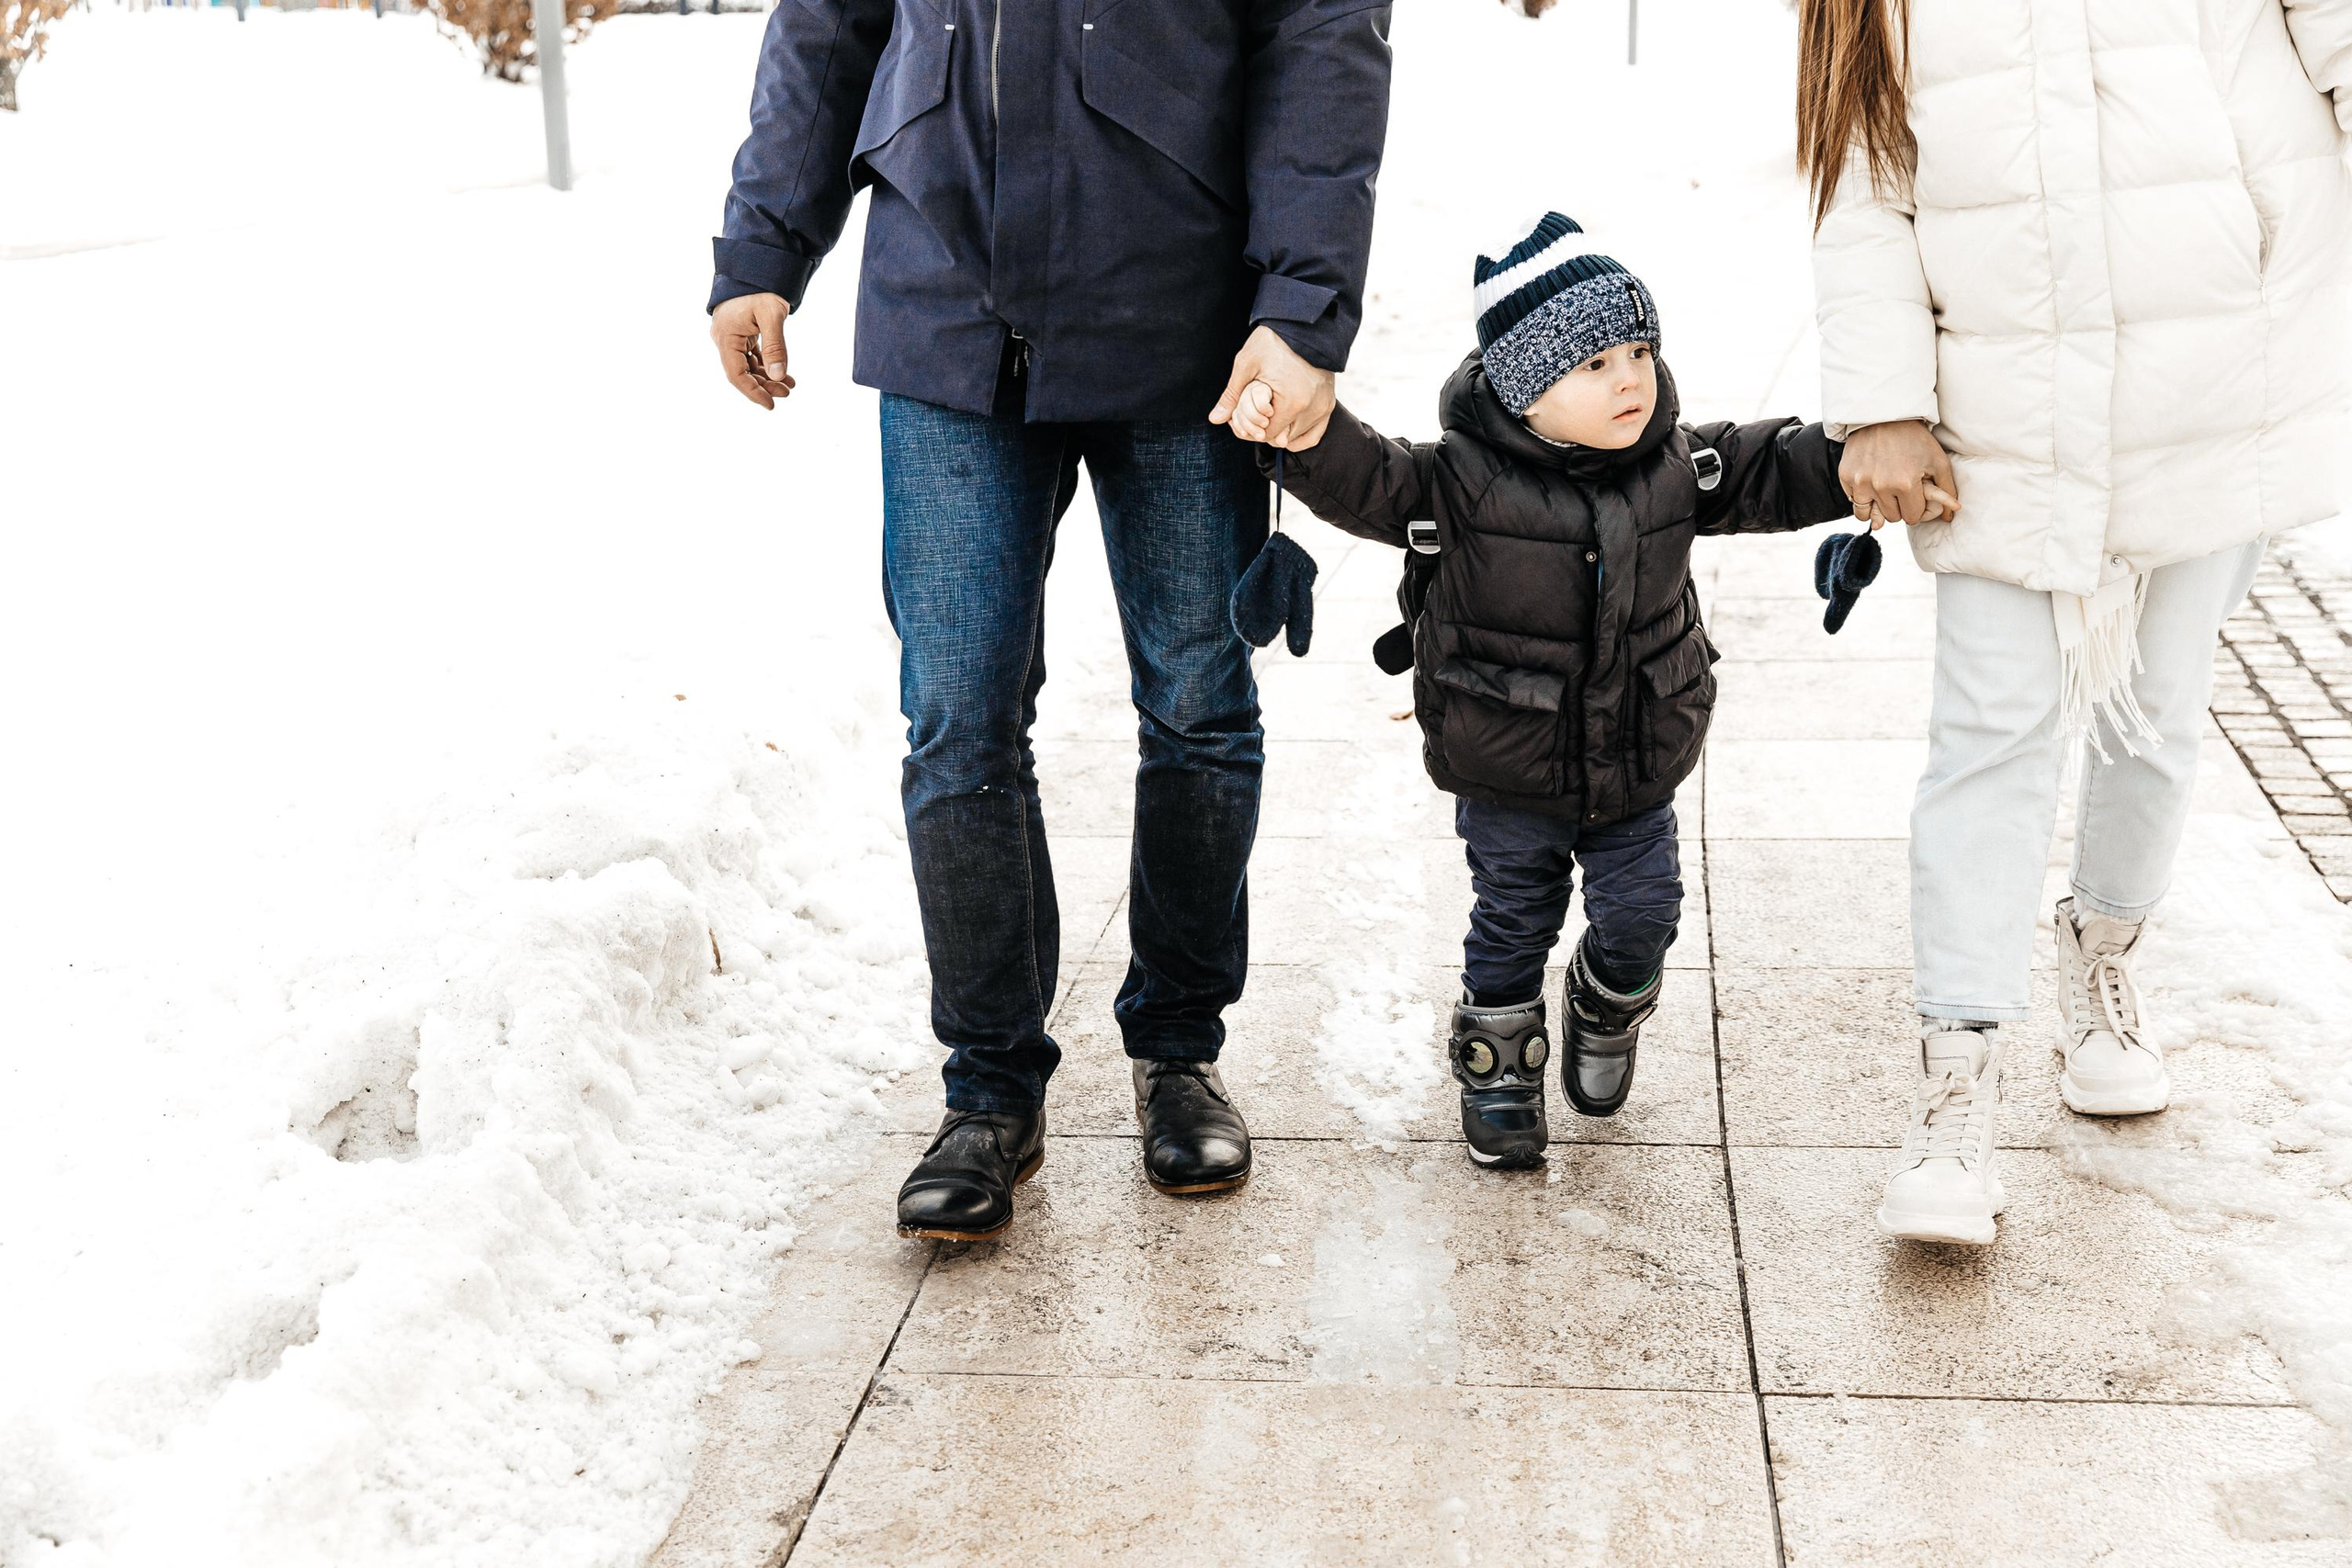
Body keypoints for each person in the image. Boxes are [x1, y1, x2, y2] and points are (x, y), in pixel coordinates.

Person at [704, 0, 1396, 1243]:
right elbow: (827, 21)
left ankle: (1180, 1050)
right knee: (956, 715)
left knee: (1196, 697)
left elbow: (1322, 34)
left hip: (1182, 308)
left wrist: (1303, 303)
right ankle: (988, 1089)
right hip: (945, 297)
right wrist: (764, 241)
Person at [1801, 0, 2352, 1245]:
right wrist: (1885, 401)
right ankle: (1959, 1066)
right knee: (1992, 727)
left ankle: (2102, 941)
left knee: (2154, 712)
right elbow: (1861, 176)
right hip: (2007, 402)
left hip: (2224, 370)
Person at [1235, 215, 1857, 1167]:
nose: (1629, 379)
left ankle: (1608, 999)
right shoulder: (1457, 482)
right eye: (1594, 364)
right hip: (1507, 758)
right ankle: (1498, 1067)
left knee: (1645, 911)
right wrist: (1306, 433)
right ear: (1525, 391)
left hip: (1640, 754)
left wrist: (1859, 456)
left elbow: (1776, 465)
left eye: (1638, 350)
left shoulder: (1675, 465)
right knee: (1513, 916)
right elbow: (1366, 479)